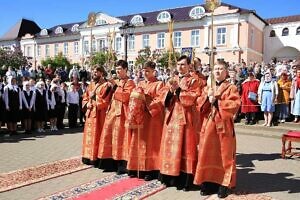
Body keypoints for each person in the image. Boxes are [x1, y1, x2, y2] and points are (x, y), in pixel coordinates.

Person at [194, 60, 241, 198]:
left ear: (226, 72)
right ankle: (208, 182)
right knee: (206, 154)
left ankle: (223, 184)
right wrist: (207, 99)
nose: (218, 71)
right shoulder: (208, 87)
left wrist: (218, 101)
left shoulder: (231, 87)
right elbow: (198, 104)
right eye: (215, 69)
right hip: (209, 125)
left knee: (224, 155)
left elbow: (235, 104)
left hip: (224, 127)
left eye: (221, 69)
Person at [159, 55, 200, 191]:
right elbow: (163, 96)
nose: (180, 67)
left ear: (189, 66)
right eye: (178, 65)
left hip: (185, 119)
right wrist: (170, 92)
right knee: (170, 148)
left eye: (183, 64)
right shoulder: (173, 79)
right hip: (171, 118)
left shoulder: (194, 80)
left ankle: (185, 181)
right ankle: (170, 177)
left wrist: (178, 90)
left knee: (186, 148)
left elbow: (193, 98)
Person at [126, 61, 164, 181]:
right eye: (144, 70)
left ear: (154, 71)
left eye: (148, 71)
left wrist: (146, 99)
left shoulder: (159, 84)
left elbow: (160, 100)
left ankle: (150, 170)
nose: (145, 73)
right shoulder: (140, 83)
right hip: (139, 118)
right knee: (138, 142)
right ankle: (136, 167)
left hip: (152, 119)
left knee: (151, 145)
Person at [97, 60, 135, 174]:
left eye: (120, 69)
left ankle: (122, 165)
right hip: (112, 111)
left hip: (122, 114)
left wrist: (115, 86)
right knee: (108, 136)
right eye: (117, 69)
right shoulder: (116, 81)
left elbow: (126, 97)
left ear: (126, 70)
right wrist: (109, 86)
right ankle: (109, 163)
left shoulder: (130, 82)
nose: (118, 71)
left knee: (120, 138)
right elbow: (107, 95)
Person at [81, 65, 112, 166]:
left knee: (98, 135)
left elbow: (105, 101)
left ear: (101, 73)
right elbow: (85, 96)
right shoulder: (91, 85)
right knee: (89, 135)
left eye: (96, 72)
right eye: (93, 72)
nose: (94, 73)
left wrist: (94, 100)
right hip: (90, 113)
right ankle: (88, 156)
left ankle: (96, 157)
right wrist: (87, 103)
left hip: (100, 115)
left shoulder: (106, 85)